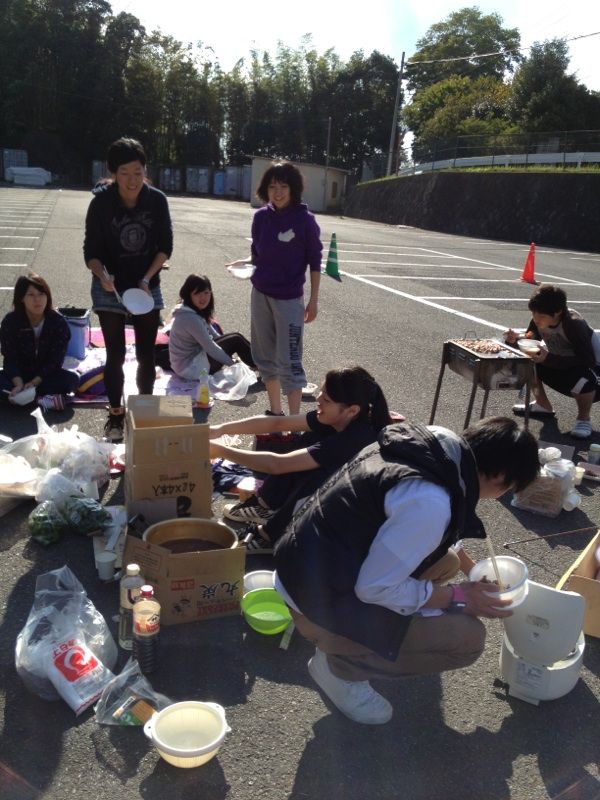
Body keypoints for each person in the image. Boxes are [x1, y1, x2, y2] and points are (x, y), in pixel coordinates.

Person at [273, 416, 539, 725]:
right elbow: (373, 588)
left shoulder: (435, 446)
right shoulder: (430, 503)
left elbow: (431, 538)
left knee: (447, 564)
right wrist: (459, 597)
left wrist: (469, 574)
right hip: (314, 601)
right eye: (509, 488)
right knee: (468, 640)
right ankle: (340, 668)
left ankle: (381, 635)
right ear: (500, 477)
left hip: (305, 564)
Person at [209, 366, 394, 553]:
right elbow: (278, 423)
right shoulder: (338, 418)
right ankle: (267, 506)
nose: (317, 398)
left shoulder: (355, 438)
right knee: (307, 440)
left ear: (352, 410)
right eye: (321, 392)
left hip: (358, 515)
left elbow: (278, 465)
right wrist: (221, 429)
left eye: (326, 399)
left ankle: (273, 536)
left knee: (318, 477)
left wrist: (220, 450)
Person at [83, 137, 173, 442]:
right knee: (116, 355)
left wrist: (147, 280)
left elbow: (165, 248)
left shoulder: (157, 200)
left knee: (148, 354)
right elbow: (90, 252)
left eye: (138, 171)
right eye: (124, 172)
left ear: (145, 170)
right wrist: (102, 274)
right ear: (113, 173)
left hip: (146, 286)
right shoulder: (101, 204)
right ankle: (116, 416)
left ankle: (144, 413)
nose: (132, 180)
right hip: (109, 287)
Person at [226, 161, 322, 417]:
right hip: (260, 295)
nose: (277, 192)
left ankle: (293, 421)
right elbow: (257, 256)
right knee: (264, 357)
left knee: (290, 360)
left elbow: (315, 261)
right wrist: (243, 263)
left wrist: (313, 301)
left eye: (283, 186)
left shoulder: (305, 220)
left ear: (293, 189)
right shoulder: (260, 218)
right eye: (272, 186)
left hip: (290, 300)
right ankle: (276, 414)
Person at [506, 284, 600, 438]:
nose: (536, 319)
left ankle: (584, 419)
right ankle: (543, 405)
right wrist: (514, 340)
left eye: (541, 316)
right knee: (529, 362)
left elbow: (587, 360)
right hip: (563, 365)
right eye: (534, 313)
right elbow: (530, 339)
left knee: (582, 377)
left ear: (558, 312)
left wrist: (549, 359)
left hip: (594, 376)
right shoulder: (537, 319)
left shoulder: (573, 324)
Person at [0, 273, 79, 403]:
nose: (37, 300)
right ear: (21, 298)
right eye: (31, 295)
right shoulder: (11, 321)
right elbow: (9, 358)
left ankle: (26, 397)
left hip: (44, 376)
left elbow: (55, 361)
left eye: (41, 294)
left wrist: (34, 382)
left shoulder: (58, 322)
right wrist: (18, 383)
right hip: (18, 374)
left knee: (72, 380)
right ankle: (33, 396)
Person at [166, 274, 256, 379]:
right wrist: (233, 365)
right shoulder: (190, 318)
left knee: (235, 337)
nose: (203, 298)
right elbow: (211, 347)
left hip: (194, 361)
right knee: (235, 339)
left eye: (206, 293)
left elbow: (216, 336)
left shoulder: (193, 310)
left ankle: (261, 363)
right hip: (190, 368)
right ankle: (263, 366)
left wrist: (228, 351)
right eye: (197, 293)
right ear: (188, 294)